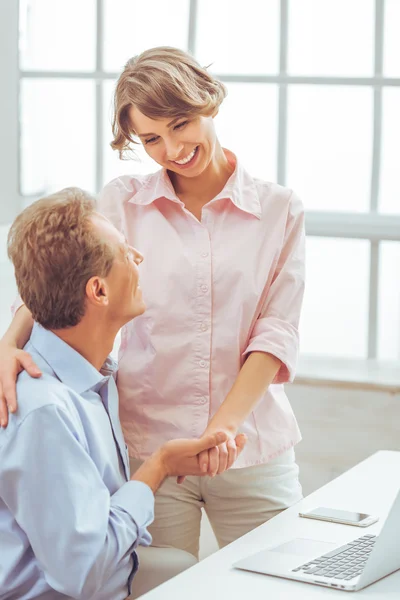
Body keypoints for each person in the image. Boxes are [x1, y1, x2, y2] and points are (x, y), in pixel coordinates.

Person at [0, 46, 305, 559]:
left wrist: (222, 431)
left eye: (180, 124)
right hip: (147, 450)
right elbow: (66, 278)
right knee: (161, 584)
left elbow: (275, 331)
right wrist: (9, 342)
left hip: (249, 446)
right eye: (151, 139)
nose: (171, 148)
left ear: (206, 101)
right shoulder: (123, 201)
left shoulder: (279, 209)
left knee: (286, 580)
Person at [0, 187, 246, 600]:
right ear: (98, 291)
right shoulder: (44, 411)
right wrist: (159, 466)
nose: (138, 257)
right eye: (125, 251)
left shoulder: (91, 377)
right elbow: (86, 570)